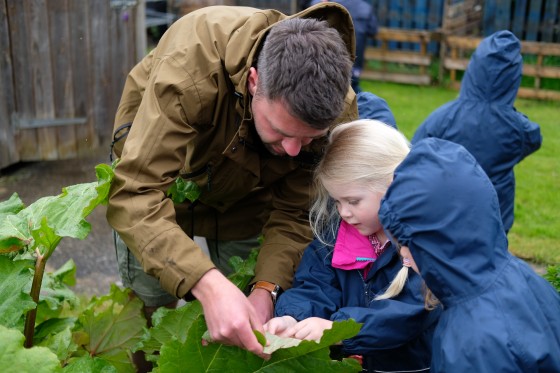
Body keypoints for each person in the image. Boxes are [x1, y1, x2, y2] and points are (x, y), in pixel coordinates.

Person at [106, 3, 358, 366]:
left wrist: (266, 290)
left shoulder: (336, 106)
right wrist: (206, 284)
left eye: (307, 139)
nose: (291, 150)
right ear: (255, 82)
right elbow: (136, 192)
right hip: (163, 185)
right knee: (150, 305)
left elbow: (297, 211)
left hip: (250, 194)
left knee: (242, 307)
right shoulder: (188, 66)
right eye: (283, 131)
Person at [265, 120, 441, 372]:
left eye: (353, 201)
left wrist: (338, 329)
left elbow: (408, 314)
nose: (343, 212)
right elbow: (316, 284)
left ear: (393, 184)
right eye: (336, 201)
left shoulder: (424, 242)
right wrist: (292, 317)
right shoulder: (335, 235)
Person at [379, 138, 560, 372]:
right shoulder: (522, 276)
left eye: (407, 242)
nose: (403, 254)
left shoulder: (470, 344)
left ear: (437, 243)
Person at [412, 30, 542, 234]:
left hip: (447, 210)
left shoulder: (446, 116)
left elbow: (416, 148)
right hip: (495, 216)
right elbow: (534, 139)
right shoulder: (518, 126)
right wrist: (508, 112)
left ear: (474, 68)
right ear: (514, 78)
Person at [307, 0, 378, 92]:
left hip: (330, 58)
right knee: (353, 90)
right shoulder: (365, 7)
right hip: (355, 58)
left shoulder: (328, 4)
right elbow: (373, 31)